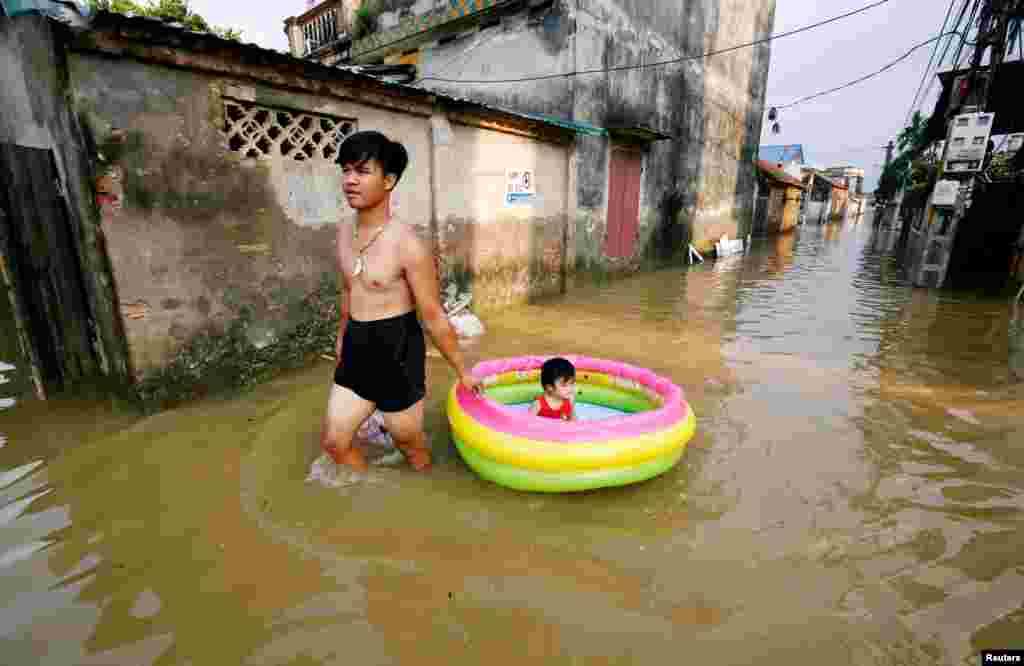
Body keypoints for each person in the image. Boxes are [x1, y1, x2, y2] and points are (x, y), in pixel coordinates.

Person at [321, 130, 481, 474]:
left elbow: (433, 315)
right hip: (356, 346)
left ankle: (423, 480)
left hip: (397, 348)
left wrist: (463, 371)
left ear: (389, 180)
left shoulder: (408, 244)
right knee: (335, 443)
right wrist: (341, 337)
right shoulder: (342, 231)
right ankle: (367, 498)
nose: (350, 180)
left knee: (407, 439)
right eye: (346, 170)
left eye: (362, 172)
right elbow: (349, 290)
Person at [529, 357, 576, 421]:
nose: (570, 388)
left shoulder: (569, 399)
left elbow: (573, 421)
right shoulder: (538, 404)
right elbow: (528, 423)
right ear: (550, 387)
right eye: (564, 385)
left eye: (572, 383)